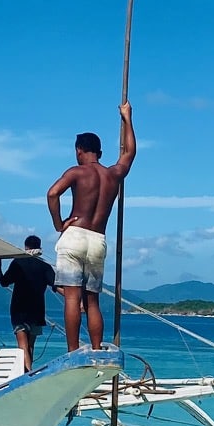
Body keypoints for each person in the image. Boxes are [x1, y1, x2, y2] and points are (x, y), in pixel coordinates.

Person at [45, 101, 135, 350]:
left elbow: (52, 194)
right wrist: (127, 118)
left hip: (74, 234)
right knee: (92, 300)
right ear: (101, 153)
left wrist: (58, 224)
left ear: (79, 150)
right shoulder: (113, 174)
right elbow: (129, 153)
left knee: (72, 298)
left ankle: (73, 351)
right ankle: (96, 348)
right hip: (98, 239)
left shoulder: (76, 172)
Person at [0, 235, 57, 372]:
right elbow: (57, 285)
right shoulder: (44, 266)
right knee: (30, 346)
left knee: (23, 346)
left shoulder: (18, 263)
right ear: (40, 247)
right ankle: (29, 372)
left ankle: (27, 373)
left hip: (19, 309)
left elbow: (4, 282)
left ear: (26, 247)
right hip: (37, 311)